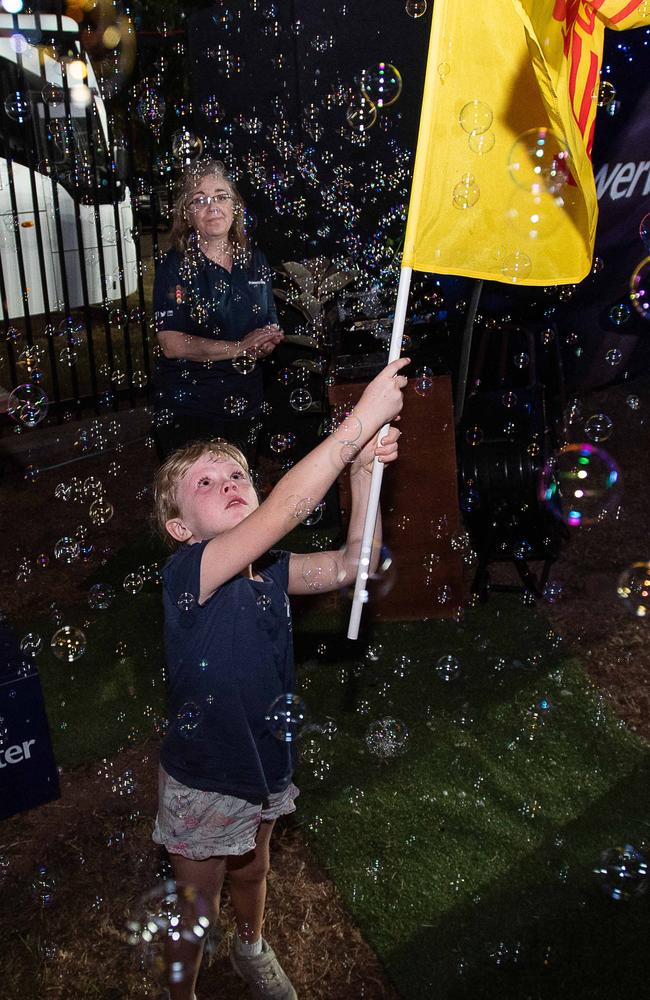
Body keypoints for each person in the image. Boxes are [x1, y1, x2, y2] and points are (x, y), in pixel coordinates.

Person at [151, 356, 409, 1000]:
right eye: (206, 482)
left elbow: (357, 564)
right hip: (205, 777)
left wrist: (363, 474)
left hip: (266, 760)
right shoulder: (193, 572)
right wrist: (356, 424)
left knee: (254, 867)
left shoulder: (272, 570)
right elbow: (290, 506)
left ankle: (251, 947)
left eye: (238, 473)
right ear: (180, 529)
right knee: (195, 904)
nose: (230, 482)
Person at [152, 158, 284, 464]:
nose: (213, 207)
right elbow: (171, 344)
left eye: (221, 196)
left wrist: (265, 342)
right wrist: (239, 347)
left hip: (245, 403)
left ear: (235, 205)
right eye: (200, 200)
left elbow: (267, 325)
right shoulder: (175, 267)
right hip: (190, 408)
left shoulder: (255, 260)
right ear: (187, 214)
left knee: (240, 500)